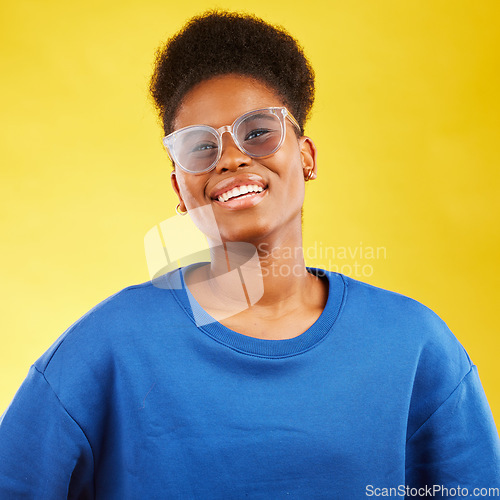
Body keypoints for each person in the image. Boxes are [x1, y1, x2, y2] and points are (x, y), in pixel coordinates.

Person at [0, 10, 498, 498]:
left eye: (258, 131)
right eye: (200, 148)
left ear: (306, 157)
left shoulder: (413, 346)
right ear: (180, 186)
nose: (232, 158)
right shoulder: (106, 347)